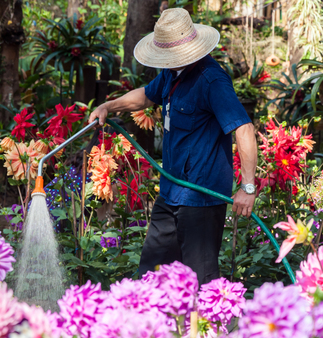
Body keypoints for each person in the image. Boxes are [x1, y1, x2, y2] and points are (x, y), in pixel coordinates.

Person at [88, 8, 257, 285]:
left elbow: (244, 128)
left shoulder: (212, 80)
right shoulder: (171, 73)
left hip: (201, 198)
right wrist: (109, 106)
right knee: (151, 274)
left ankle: (206, 327)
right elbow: (145, 95)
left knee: (200, 281)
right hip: (170, 191)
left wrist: (248, 187)